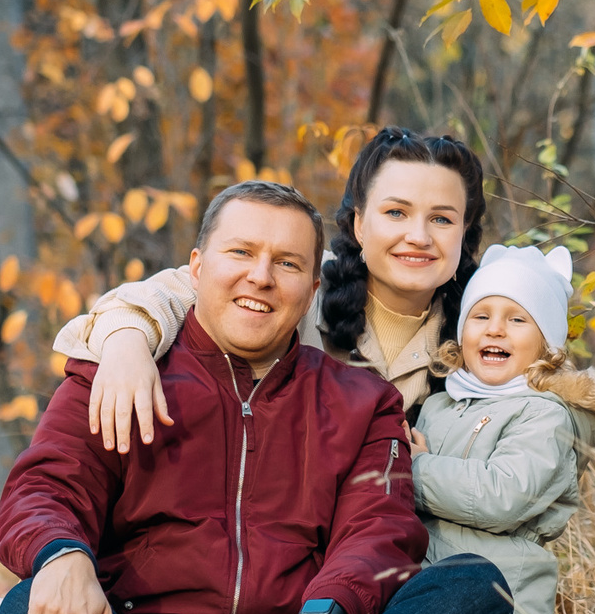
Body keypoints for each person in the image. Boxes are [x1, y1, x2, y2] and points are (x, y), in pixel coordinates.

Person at [0, 180, 513, 614]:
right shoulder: (119, 372)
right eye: (240, 252)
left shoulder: (362, 401)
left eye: (287, 263)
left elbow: (379, 528)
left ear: (313, 286)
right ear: (196, 268)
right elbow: (46, 487)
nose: (260, 277)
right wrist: (61, 556)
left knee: (475, 589)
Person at [50, 128, 485, 447]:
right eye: (396, 213)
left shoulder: (487, 326)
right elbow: (166, 292)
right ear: (359, 223)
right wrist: (127, 346)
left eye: (442, 219)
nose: (419, 236)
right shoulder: (295, 281)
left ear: (464, 234)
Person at [410, 243, 595, 614]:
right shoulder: (442, 403)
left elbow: (503, 497)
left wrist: (415, 470)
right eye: (481, 316)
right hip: (427, 610)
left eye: (517, 319)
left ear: (547, 345)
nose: (495, 330)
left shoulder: (545, 415)